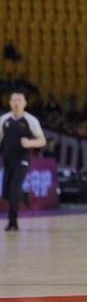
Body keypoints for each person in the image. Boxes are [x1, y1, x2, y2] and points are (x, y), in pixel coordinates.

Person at [0, 91, 46, 231]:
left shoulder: (30, 120)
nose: (16, 103)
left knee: (14, 189)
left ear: (25, 103)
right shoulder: (4, 119)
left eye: (19, 100)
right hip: (8, 160)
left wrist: (30, 143)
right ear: (9, 102)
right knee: (6, 193)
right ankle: (24, 194)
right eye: (13, 100)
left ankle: (13, 223)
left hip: (22, 160)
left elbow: (42, 140)